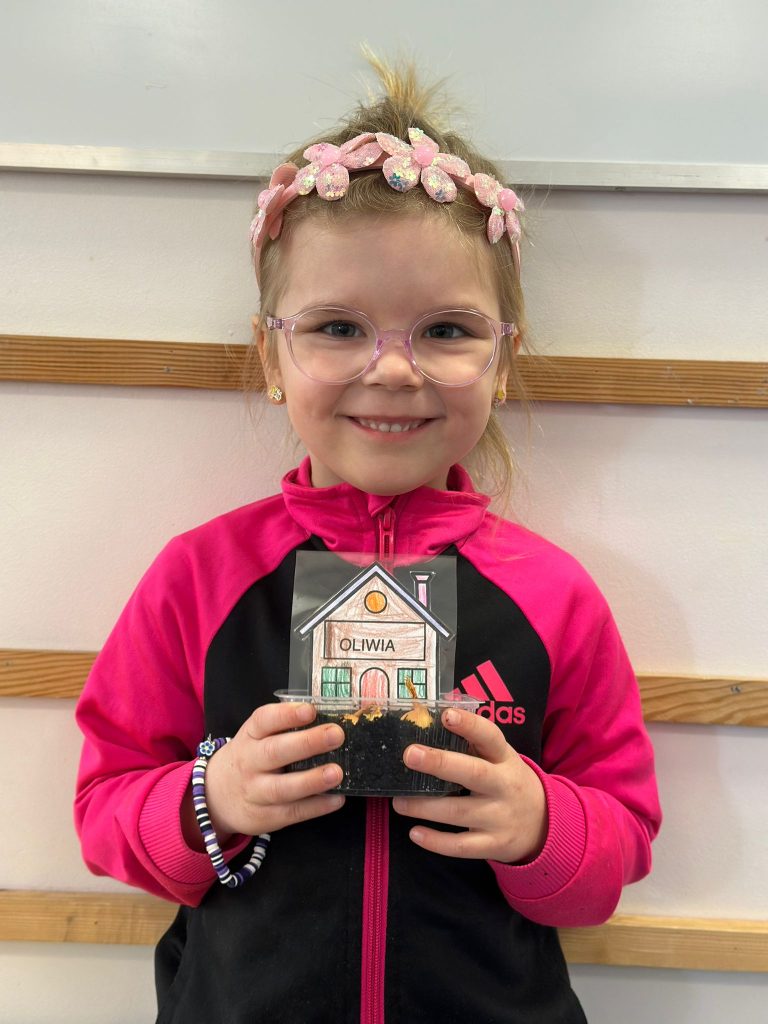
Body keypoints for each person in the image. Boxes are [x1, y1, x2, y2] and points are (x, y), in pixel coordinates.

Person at [74, 58, 661, 1024]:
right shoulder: (199, 577)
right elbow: (106, 811)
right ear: (271, 353)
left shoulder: (553, 595)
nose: (392, 370)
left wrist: (539, 825)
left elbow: (618, 844)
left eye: (446, 330)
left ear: (502, 360)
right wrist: (213, 799)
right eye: (339, 327)